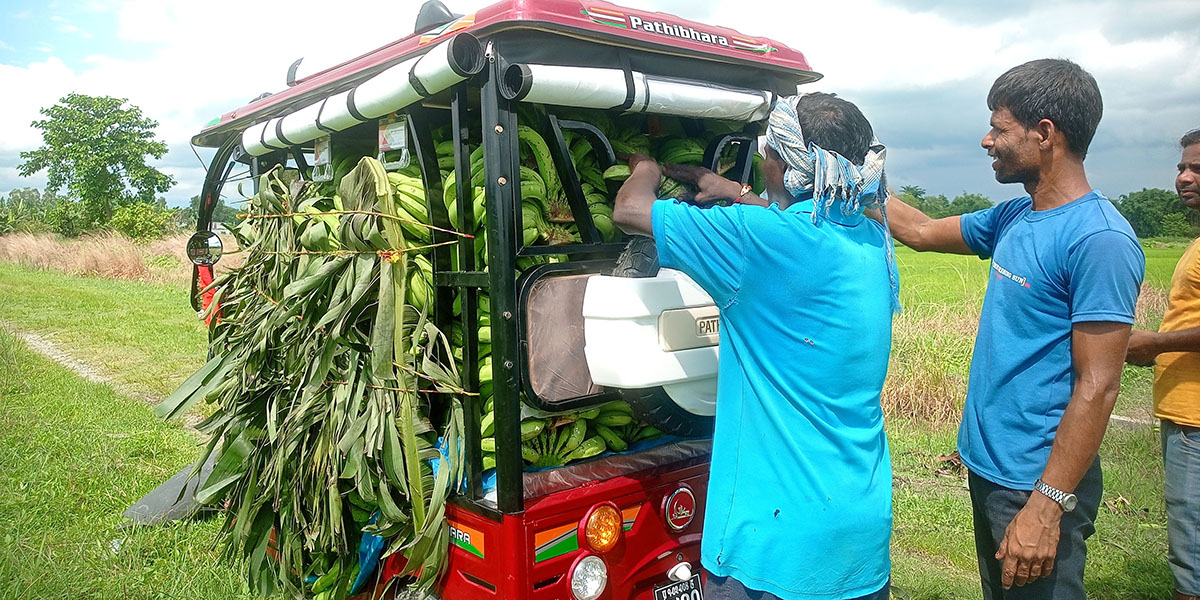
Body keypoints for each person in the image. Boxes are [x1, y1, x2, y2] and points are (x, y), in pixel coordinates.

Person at [613, 92, 897, 600]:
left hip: (772, 549)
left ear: (784, 165)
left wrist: (647, 168)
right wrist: (732, 189)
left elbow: (631, 211)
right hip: (859, 534)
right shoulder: (871, 237)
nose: (762, 158)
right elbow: (798, 223)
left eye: (767, 149)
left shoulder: (756, 241)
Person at [882, 58, 1145, 599]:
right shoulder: (1016, 217)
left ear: (1044, 134)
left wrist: (1047, 507)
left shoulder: (1099, 240)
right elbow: (925, 230)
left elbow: (1099, 386)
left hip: (1036, 482)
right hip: (991, 469)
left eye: (1000, 128)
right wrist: (850, 180)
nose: (987, 140)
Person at [1124, 128, 1200, 600]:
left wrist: (1156, 342)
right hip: (1183, 412)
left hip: (1196, 420)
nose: (1184, 177)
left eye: (1197, 170)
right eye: (1181, 167)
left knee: (1192, 553)